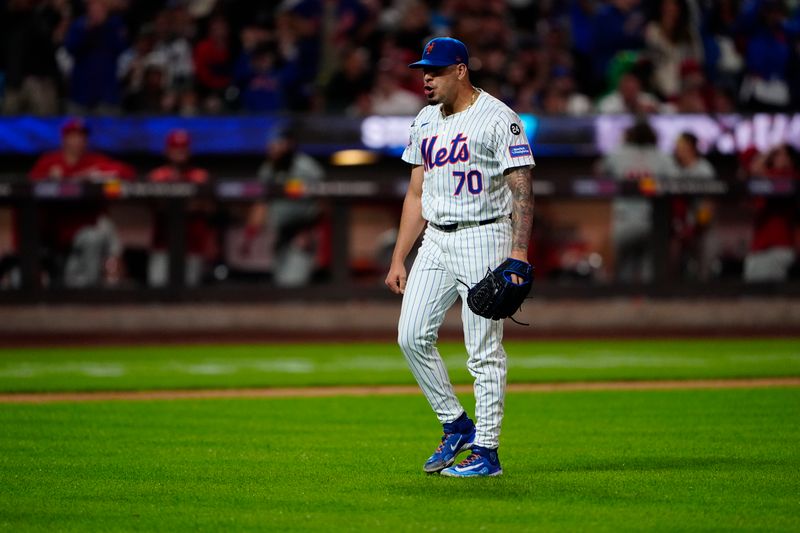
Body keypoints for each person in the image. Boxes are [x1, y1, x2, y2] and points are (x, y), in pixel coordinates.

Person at [384, 37, 535, 478]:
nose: (426, 78)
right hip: (435, 239)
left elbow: (521, 187)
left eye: (435, 70)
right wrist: (399, 258)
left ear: (461, 71)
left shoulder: (498, 118)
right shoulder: (425, 120)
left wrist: (519, 254)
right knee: (411, 336)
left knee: (483, 352)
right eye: (422, 70)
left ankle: (486, 452)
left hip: (485, 237)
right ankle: (456, 424)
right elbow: (417, 193)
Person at [29, 118, 135, 287]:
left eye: (82, 136)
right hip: (58, 228)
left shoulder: (93, 161)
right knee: (95, 236)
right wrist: (50, 179)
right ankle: (94, 284)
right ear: (64, 139)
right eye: (73, 136)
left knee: (100, 230)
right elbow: (29, 185)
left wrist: (98, 175)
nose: (78, 140)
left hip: (88, 225)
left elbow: (127, 174)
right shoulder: (50, 162)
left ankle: (104, 280)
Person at [241, 127, 324, 287]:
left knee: (292, 286)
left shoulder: (306, 168)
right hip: (280, 238)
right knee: (281, 286)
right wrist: (248, 239)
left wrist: (308, 231)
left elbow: (323, 203)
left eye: (277, 144)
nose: (272, 148)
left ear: (289, 144)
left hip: (301, 235)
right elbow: (261, 204)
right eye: (270, 144)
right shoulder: (268, 170)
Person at [598, 120, 678, 283]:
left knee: (624, 274)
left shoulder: (619, 153)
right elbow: (676, 180)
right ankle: (647, 305)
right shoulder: (661, 156)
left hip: (624, 222)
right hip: (651, 223)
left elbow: (599, 170)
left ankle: (624, 305)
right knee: (648, 273)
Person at [147, 129, 212, 287]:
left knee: (190, 290)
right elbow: (155, 204)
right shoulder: (157, 175)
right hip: (163, 242)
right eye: (176, 148)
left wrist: (178, 203)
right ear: (167, 151)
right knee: (157, 287)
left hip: (192, 243)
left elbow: (208, 206)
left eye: (183, 148)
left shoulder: (200, 176)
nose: (180, 152)